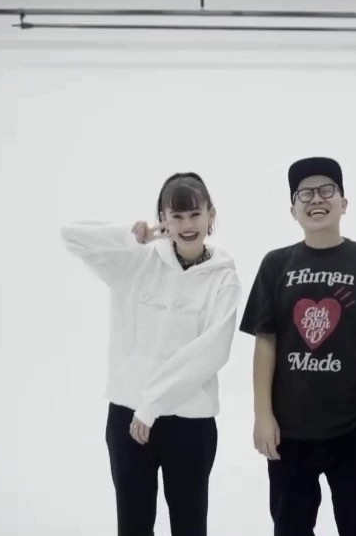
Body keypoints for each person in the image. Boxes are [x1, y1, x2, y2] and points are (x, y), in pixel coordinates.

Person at [60, 172, 241, 536]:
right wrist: (131, 236)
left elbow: (210, 352)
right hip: (128, 420)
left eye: (195, 214)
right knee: (133, 526)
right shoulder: (136, 261)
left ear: (211, 215)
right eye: (177, 216)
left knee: (189, 527)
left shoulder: (224, 278)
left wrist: (153, 404)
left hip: (189, 424)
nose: (187, 225)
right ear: (162, 219)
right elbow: (71, 234)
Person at [239, 156, 356, 536]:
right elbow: (265, 341)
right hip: (289, 430)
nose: (316, 199)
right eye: (305, 193)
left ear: (343, 203)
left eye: (327, 190)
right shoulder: (276, 264)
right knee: (290, 527)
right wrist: (263, 415)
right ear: (293, 210)